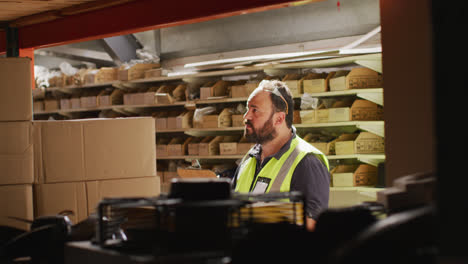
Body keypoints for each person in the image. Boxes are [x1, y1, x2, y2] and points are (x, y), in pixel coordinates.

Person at [232, 79, 330, 231]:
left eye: (255, 110)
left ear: (279, 118)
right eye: (247, 109)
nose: (246, 116)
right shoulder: (249, 158)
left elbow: (312, 227)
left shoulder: (307, 162)